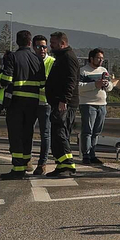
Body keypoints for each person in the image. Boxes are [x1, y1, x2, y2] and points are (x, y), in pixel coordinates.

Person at [0, 30, 46, 179]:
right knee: (28, 133)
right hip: (33, 102)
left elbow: (6, 79)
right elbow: (41, 83)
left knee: (15, 134)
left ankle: (18, 167)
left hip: (16, 102)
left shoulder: (13, 56)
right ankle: (26, 163)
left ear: (17, 42)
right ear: (29, 42)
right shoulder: (38, 59)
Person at [43, 31, 80, 177]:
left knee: (60, 133)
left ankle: (68, 166)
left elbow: (71, 80)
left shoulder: (68, 58)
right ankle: (60, 165)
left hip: (65, 104)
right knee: (57, 134)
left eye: (53, 43)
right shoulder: (61, 57)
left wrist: (64, 100)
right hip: (59, 102)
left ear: (62, 43)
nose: (50, 45)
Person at [77, 48, 110, 165]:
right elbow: (78, 87)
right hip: (88, 104)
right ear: (91, 59)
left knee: (96, 131)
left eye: (102, 58)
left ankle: (93, 154)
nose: (100, 60)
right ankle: (85, 155)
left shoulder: (103, 70)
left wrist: (107, 84)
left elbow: (110, 87)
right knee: (88, 131)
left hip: (102, 104)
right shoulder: (83, 71)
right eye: (98, 58)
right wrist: (94, 84)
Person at [31, 34, 53, 176]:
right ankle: (27, 160)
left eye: (44, 46)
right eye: (39, 47)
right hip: (31, 102)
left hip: (45, 103)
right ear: (34, 47)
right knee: (27, 133)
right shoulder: (30, 60)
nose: (42, 49)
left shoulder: (52, 62)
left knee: (45, 135)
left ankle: (42, 164)